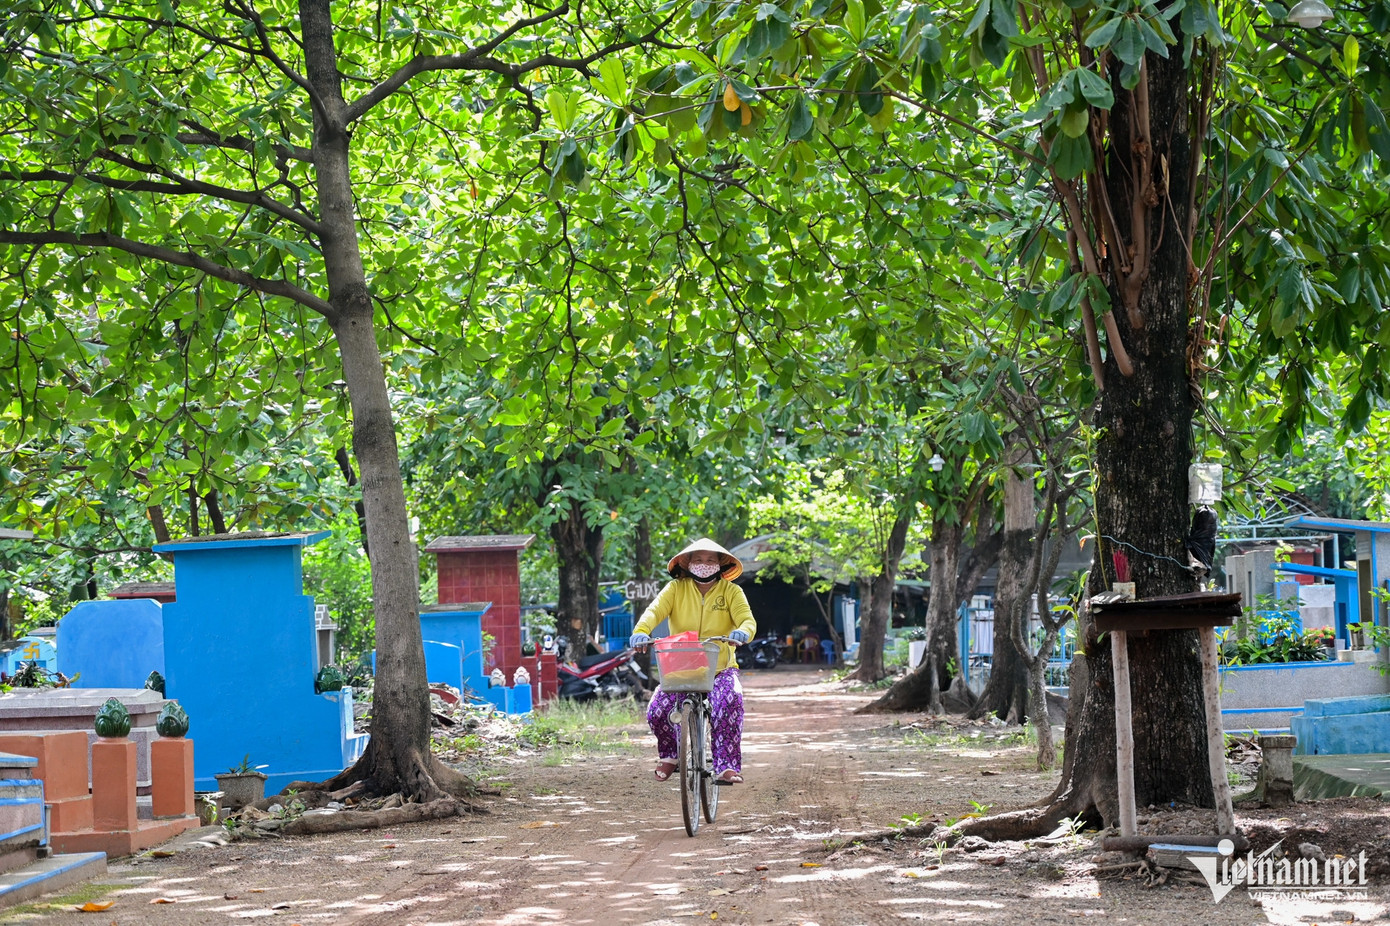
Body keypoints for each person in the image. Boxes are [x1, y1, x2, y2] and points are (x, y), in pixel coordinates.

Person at [629, 538, 755, 784]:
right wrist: (641, 631)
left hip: (720, 668)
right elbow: (653, 612)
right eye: (698, 560)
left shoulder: (732, 591)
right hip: (681, 667)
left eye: (710, 560)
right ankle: (670, 755)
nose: (704, 564)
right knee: (657, 710)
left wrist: (743, 632)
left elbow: (747, 620)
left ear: (721, 564)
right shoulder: (675, 589)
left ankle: (726, 765)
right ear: (687, 563)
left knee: (731, 701)